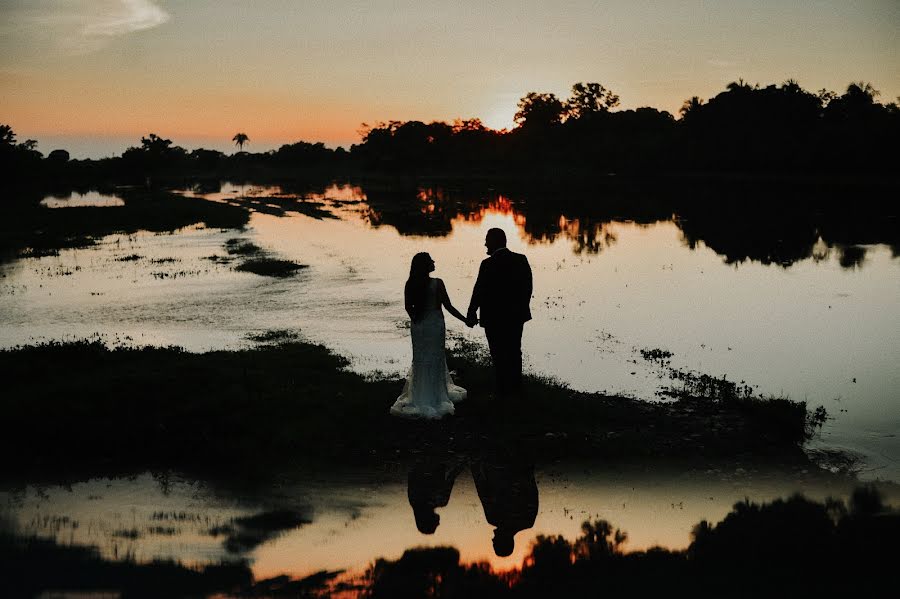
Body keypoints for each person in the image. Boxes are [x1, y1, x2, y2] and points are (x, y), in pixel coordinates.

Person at [390, 252, 468, 418]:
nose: (434, 262)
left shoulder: (410, 283)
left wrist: (416, 320)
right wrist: (465, 319)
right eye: (431, 260)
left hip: (419, 327)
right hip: (434, 325)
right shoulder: (437, 283)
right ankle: (436, 394)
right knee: (435, 357)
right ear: (425, 265)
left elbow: (407, 307)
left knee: (421, 358)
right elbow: (448, 306)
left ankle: (421, 394)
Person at [466, 228, 533, 400]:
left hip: (494, 318)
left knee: (498, 353)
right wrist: (521, 308)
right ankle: (516, 388)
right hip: (516, 316)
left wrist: (472, 311)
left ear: (495, 241)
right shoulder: (520, 259)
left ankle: (502, 390)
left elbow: (479, 290)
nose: (485, 244)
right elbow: (527, 287)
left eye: (487, 240)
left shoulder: (487, 264)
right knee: (514, 350)